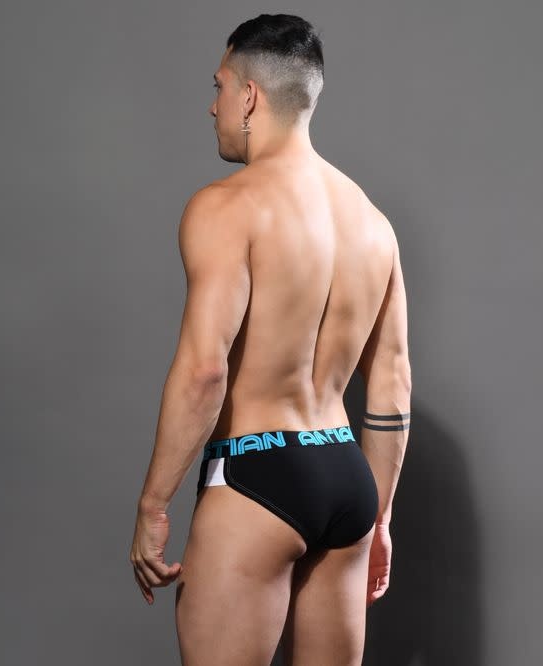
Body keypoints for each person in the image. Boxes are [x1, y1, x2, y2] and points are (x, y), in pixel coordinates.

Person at [130, 13, 411, 666]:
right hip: (345, 475)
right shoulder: (373, 222)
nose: (214, 105)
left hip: (257, 472)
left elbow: (205, 371)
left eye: (220, 86)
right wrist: (380, 518)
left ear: (249, 95)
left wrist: (153, 505)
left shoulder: (226, 206)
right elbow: (393, 384)